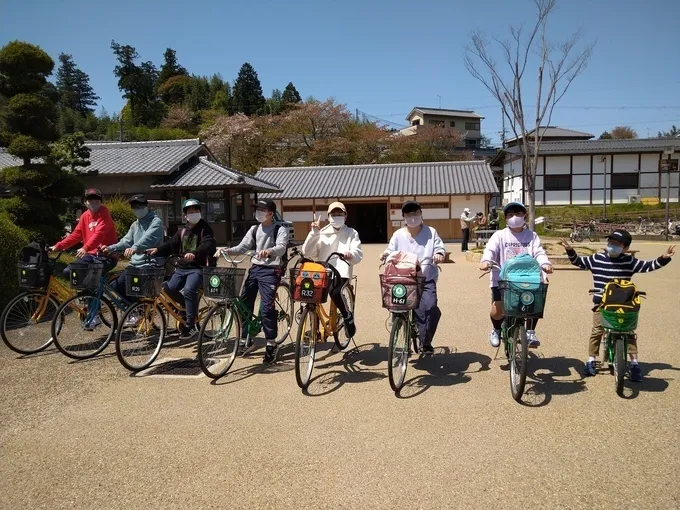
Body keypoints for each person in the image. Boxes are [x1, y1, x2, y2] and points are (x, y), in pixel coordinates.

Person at [559, 230, 675, 382]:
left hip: (624, 304)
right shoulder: (597, 258)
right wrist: (570, 250)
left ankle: (634, 364)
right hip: (602, 302)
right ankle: (591, 360)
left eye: (617, 244)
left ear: (625, 248)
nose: (612, 246)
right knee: (597, 330)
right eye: (610, 242)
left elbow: (647, 266)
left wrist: (664, 258)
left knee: (628, 332)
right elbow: (579, 262)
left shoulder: (629, 261)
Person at [479, 201, 553, 349]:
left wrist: (545, 263)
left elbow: (539, 252)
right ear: (506, 218)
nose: (515, 217)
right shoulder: (499, 235)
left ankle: (530, 331)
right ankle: (496, 329)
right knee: (497, 310)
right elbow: (490, 250)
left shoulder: (532, 236)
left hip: (528, 278)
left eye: (518, 214)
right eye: (510, 214)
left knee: (533, 304)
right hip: (502, 279)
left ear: (524, 216)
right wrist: (486, 261)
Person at [224, 198, 288, 363]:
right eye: (257, 209)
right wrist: (227, 251)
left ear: (271, 213)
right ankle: (247, 339)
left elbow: (281, 247)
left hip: (271, 270)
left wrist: (269, 251)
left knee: (267, 307)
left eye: (262, 209)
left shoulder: (280, 229)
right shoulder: (254, 229)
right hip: (255, 268)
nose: (258, 212)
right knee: (244, 303)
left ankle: (271, 344)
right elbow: (242, 247)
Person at [380, 201, 445, 356]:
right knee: (397, 307)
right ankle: (400, 329)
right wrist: (384, 254)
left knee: (430, 308)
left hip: (425, 278)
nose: (413, 217)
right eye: (409, 214)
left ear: (421, 214)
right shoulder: (398, 235)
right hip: (402, 278)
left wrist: (439, 255)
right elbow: (390, 250)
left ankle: (426, 341)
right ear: (404, 217)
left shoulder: (431, 232)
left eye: (415, 213)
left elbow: (439, 247)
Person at [147, 198, 216, 340]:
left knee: (190, 289)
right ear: (185, 215)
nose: (194, 213)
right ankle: (185, 304)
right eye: (191, 211)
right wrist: (157, 249)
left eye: (196, 210)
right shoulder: (182, 230)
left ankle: (190, 326)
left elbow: (207, 245)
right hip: (182, 267)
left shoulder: (205, 228)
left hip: (199, 268)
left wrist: (195, 254)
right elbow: (171, 243)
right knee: (167, 289)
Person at [302, 202, 363, 338]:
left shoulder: (351, 233)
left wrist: (350, 254)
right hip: (323, 271)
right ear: (328, 217)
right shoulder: (322, 232)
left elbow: (357, 252)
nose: (337, 217)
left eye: (340, 214)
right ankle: (314, 329)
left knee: (335, 292)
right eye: (334, 214)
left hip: (342, 271)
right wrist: (314, 233)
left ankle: (347, 317)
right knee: (310, 293)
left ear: (345, 216)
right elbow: (307, 251)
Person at [101, 195, 164, 309]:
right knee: (116, 285)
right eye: (134, 206)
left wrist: (134, 248)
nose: (137, 209)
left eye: (139, 205)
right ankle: (134, 310)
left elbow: (147, 238)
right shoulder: (135, 224)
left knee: (137, 287)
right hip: (135, 264)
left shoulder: (156, 222)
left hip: (150, 263)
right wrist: (110, 248)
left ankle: (138, 309)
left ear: (146, 206)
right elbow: (126, 241)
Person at [50, 188, 118, 276]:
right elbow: (76, 235)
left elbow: (99, 234)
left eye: (96, 200)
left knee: (90, 279)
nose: (93, 202)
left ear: (101, 202)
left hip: (107, 256)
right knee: (68, 272)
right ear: (85, 202)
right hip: (90, 256)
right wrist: (58, 246)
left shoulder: (104, 214)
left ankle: (92, 289)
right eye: (90, 200)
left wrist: (85, 248)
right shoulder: (84, 216)